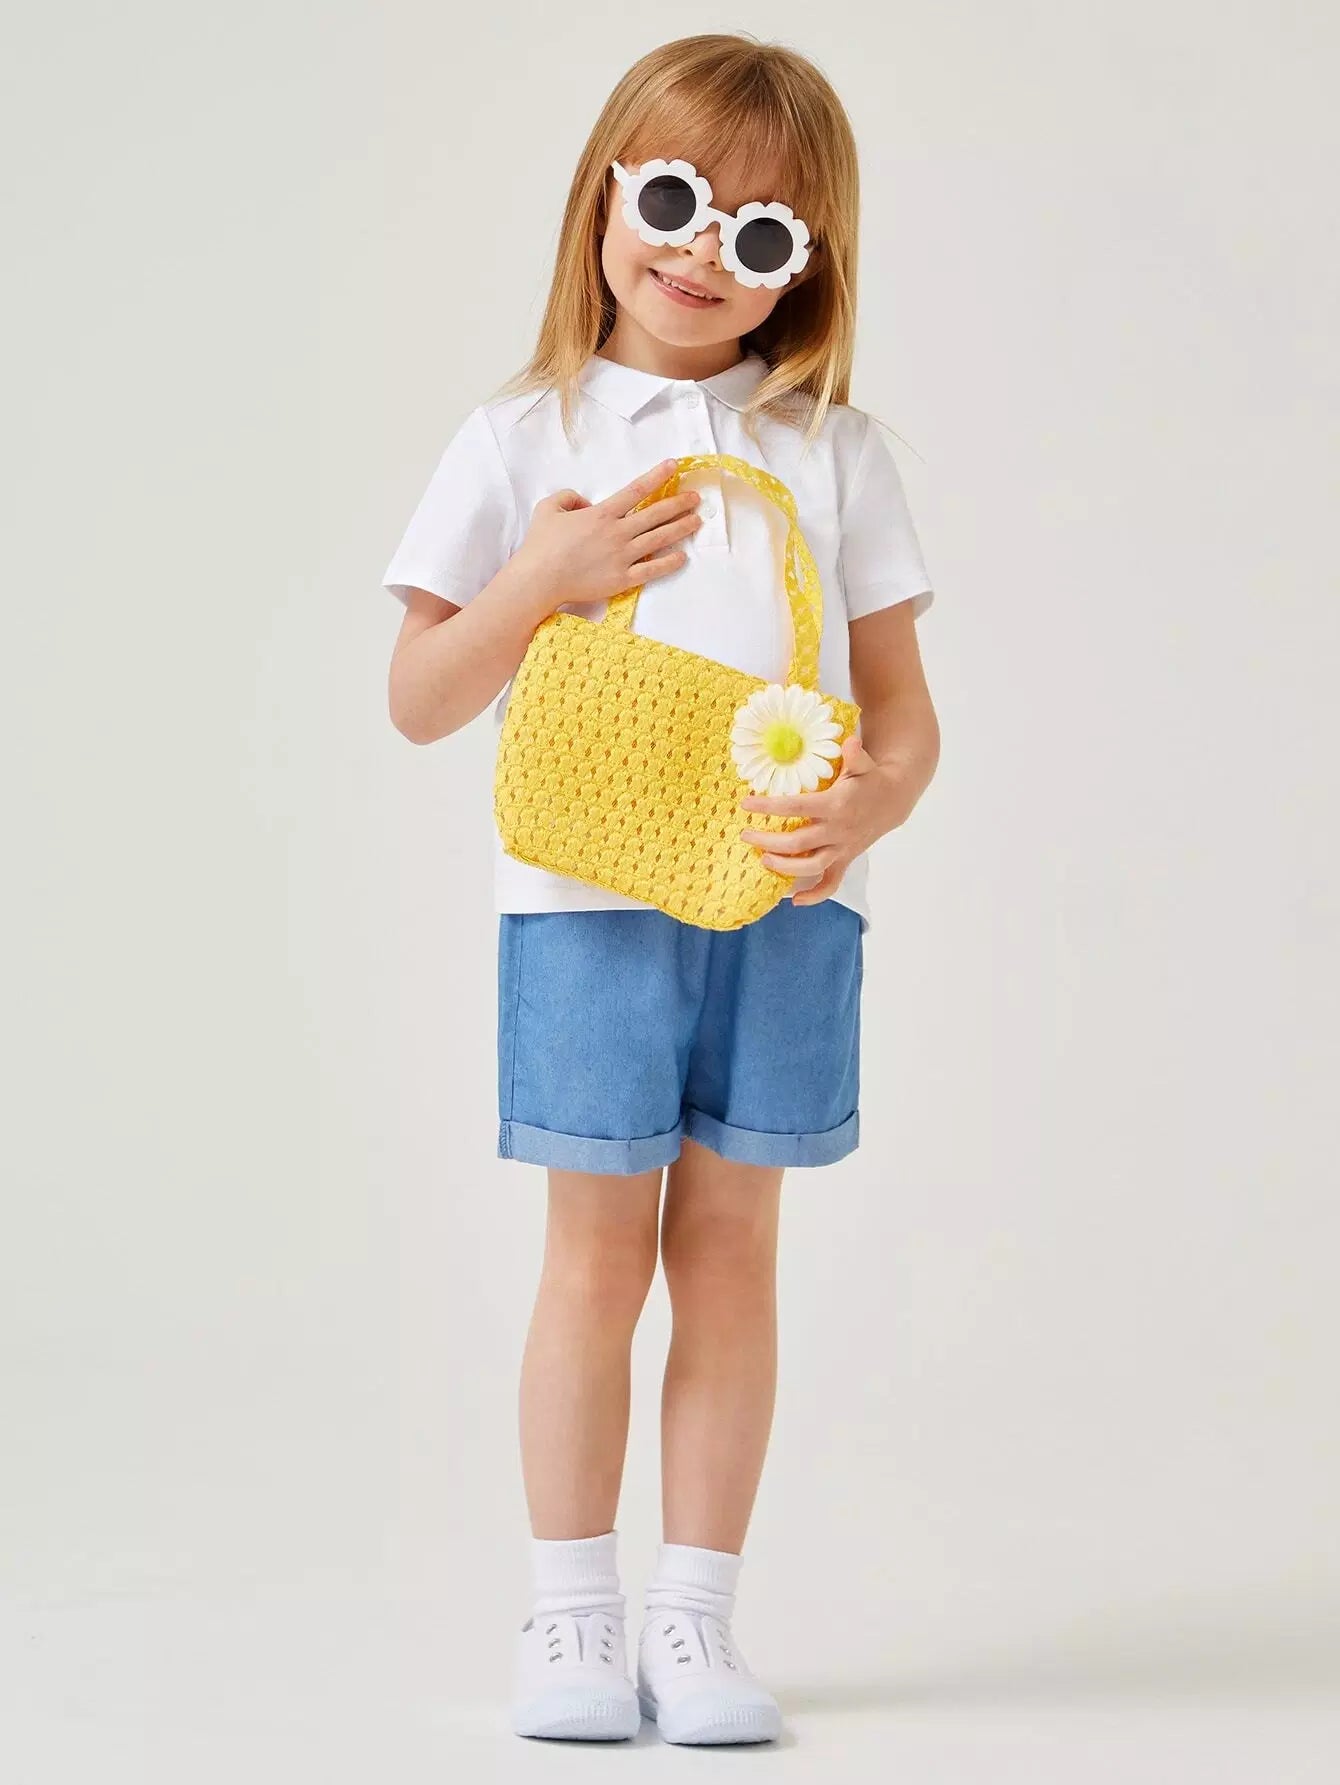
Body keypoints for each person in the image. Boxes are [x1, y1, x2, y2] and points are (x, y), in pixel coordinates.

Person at [378, 33, 940, 1747]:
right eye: (679, 200)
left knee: (734, 1249)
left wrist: (866, 806)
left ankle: (695, 1616)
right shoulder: (521, 435)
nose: (704, 254)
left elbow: (905, 716)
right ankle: (571, 1606)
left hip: (782, 903)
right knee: (594, 1255)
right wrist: (540, 576)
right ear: (607, 195)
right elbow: (419, 697)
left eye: (760, 233)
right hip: (584, 900)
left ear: (806, 268)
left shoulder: (834, 452)